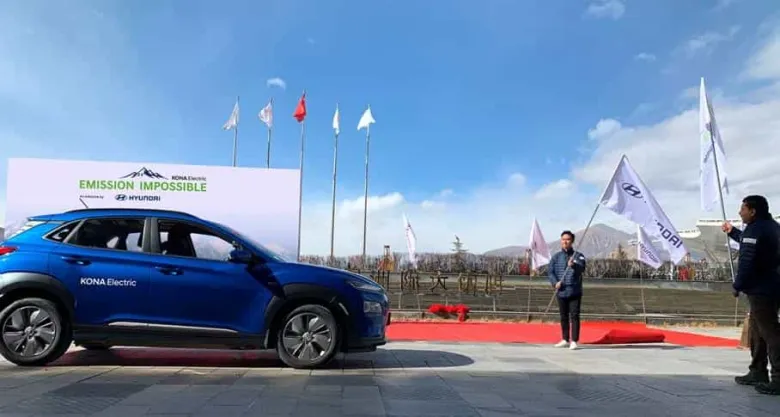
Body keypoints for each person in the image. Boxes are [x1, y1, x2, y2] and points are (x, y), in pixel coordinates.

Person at [722, 195, 780, 395]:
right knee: (757, 331)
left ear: (753, 211)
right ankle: (757, 371)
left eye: (743, 209)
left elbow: (747, 260)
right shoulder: (772, 227)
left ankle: (778, 378)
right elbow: (751, 243)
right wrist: (733, 232)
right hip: (773, 286)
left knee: (771, 332)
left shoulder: (755, 230)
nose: (740, 212)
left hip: (761, 289)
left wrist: (738, 285)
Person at [548, 230, 587, 350]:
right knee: (563, 316)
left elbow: (582, 268)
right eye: (563, 239)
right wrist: (555, 283)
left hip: (574, 291)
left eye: (568, 239)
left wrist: (573, 265)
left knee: (574, 316)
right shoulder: (556, 257)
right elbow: (550, 272)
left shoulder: (578, 256)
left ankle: (574, 340)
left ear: (572, 241)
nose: (565, 241)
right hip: (561, 291)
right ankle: (565, 339)